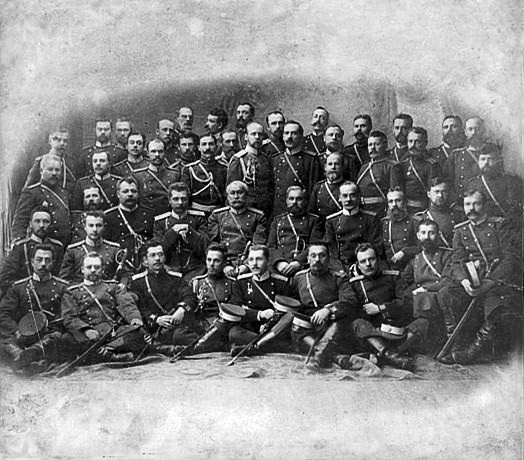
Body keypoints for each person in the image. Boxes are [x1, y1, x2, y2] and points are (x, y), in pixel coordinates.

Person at [436, 189, 522, 364]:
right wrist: (465, 281)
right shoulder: (460, 231)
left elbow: (510, 260)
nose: (471, 208)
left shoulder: (499, 225)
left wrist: (489, 283)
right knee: (446, 293)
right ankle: (456, 344)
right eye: (468, 204)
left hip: (498, 280)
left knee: (497, 302)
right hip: (472, 281)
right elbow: (457, 261)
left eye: (476, 203)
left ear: (484, 205)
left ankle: (472, 351)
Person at [61, 252, 146, 363]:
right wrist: (86, 330)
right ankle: (112, 354)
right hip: (88, 334)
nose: (93, 270)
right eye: (89, 267)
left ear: (102, 269)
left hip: (112, 332)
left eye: (97, 267)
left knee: (138, 332)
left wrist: (134, 318)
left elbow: (126, 304)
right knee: (67, 338)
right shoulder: (72, 292)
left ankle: (105, 351)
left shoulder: (113, 287)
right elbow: (69, 317)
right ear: (82, 269)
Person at [348, 243, 421, 371]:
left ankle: (387, 354)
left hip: (396, 329)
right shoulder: (355, 284)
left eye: (371, 259)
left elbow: (406, 302)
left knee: (422, 323)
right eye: (363, 261)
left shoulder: (393, 277)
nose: (368, 264)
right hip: (373, 333)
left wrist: (380, 308)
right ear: (358, 265)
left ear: (378, 260)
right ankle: (391, 356)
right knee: (357, 323)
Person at [0, 244, 69, 370]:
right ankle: (23, 357)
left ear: (53, 262)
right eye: (39, 259)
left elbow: (66, 315)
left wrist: (51, 328)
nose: (43, 264)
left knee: (58, 338)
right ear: (32, 262)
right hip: (22, 334)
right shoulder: (18, 287)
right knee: (4, 340)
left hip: (49, 333)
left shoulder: (62, 287)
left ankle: (29, 356)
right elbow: (3, 313)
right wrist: (16, 331)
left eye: (47, 260)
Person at [288, 242, 354, 370]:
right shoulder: (299, 278)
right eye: (313, 255)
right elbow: (292, 301)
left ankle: (318, 359)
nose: (317, 259)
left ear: (328, 259)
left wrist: (328, 309)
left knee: (338, 325)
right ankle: (332, 356)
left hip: (330, 323)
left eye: (322, 255)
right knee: (296, 327)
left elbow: (349, 300)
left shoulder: (338, 278)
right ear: (308, 259)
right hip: (308, 326)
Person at [129, 239, 200, 354]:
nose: (157, 258)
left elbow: (190, 296)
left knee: (180, 336)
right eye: (152, 255)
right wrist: (156, 319)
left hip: (176, 325)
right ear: (145, 261)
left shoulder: (176, 278)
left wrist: (181, 310)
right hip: (154, 328)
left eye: (160, 254)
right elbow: (138, 308)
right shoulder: (138, 283)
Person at [400, 218, 454, 353]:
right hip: (421, 302)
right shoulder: (416, 259)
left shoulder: (448, 255)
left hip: (438, 298)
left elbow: (449, 280)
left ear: (438, 235)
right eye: (423, 233)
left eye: (431, 233)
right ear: (418, 236)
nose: (427, 237)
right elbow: (404, 279)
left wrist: (426, 288)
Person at [229, 245, 293, 354]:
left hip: (274, 329)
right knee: (233, 333)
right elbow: (235, 309)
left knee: (290, 318)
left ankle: (254, 347)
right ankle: (267, 345)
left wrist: (271, 323)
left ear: (268, 261)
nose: (254, 264)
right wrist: (259, 314)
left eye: (259, 259)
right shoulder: (241, 282)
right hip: (251, 328)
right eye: (251, 259)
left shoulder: (281, 283)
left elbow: (287, 311)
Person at [0, 207, 64, 299]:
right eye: (37, 221)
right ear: (30, 224)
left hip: (53, 295)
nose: (41, 225)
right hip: (26, 296)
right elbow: (5, 279)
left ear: (51, 224)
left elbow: (62, 275)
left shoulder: (57, 247)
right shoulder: (21, 248)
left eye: (46, 222)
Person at [208, 181, 267, 276]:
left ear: (246, 196)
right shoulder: (217, 216)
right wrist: (224, 265)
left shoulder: (257, 217)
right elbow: (213, 244)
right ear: (227, 197)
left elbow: (258, 245)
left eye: (240, 192)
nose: (236, 197)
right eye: (232, 193)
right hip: (222, 264)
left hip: (249, 263)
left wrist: (247, 265)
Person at [11, 153, 72, 246]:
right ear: (41, 171)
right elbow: (20, 220)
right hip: (41, 245)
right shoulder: (32, 192)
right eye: (50, 169)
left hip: (62, 245)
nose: (54, 173)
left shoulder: (64, 193)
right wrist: (18, 241)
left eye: (57, 170)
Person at [154, 183, 209, 279]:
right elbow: (158, 249)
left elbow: (205, 246)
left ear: (188, 200)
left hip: (196, 270)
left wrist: (190, 232)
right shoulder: (160, 222)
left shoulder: (198, 218)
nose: (180, 203)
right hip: (169, 270)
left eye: (183, 199)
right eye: (175, 199)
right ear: (169, 200)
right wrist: (172, 233)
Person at [467, 143, 522, 237]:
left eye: (490, 159)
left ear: (498, 161)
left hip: (509, 229)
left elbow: (517, 209)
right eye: (483, 159)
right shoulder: (473, 184)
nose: (486, 163)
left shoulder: (512, 181)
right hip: (484, 230)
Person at [59, 211, 129, 285]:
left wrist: (122, 285)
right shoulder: (73, 251)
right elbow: (65, 279)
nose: (95, 229)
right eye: (91, 225)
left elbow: (126, 274)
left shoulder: (114, 250)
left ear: (104, 227)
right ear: (84, 227)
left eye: (98, 225)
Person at [324, 181, 381, 272]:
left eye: (352, 195)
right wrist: (339, 269)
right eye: (345, 196)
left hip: (364, 265)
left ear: (359, 197)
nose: (348, 199)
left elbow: (375, 246)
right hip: (341, 267)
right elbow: (331, 250)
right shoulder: (332, 221)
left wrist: (360, 267)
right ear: (339, 198)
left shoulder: (370, 219)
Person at [268, 186, 322, 276]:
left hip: (304, 265)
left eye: (299, 199)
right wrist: (279, 262)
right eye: (291, 199)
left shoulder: (314, 220)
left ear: (305, 201)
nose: (294, 202)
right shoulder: (277, 221)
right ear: (286, 201)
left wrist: (298, 262)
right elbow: (271, 246)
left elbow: (315, 245)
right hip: (280, 266)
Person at [104, 177, 155, 272]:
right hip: (119, 264)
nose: (130, 194)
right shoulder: (108, 217)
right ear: (118, 194)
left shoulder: (149, 214)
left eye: (133, 191)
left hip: (145, 264)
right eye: (125, 191)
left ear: (138, 194)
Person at [272, 120, 322, 216]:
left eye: (294, 133)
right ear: (283, 136)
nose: (289, 137)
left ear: (301, 137)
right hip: (280, 212)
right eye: (286, 133)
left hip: (302, 212)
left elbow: (314, 189)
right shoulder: (275, 159)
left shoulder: (311, 159)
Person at [227, 122, 274, 215]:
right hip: (245, 211)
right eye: (253, 134)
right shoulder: (238, 159)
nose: (257, 137)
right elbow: (230, 190)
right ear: (246, 137)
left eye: (260, 134)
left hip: (265, 210)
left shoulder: (265, 159)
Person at [356, 130, 404, 218]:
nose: (372, 148)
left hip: (380, 211)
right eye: (370, 145)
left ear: (385, 145)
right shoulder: (364, 166)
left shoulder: (392, 166)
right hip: (362, 211)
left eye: (377, 144)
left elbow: (395, 194)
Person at [24, 127, 77, 196]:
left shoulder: (71, 163)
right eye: (58, 140)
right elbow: (29, 187)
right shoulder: (41, 161)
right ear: (50, 141)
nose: (62, 143)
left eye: (65, 141)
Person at [413, 178, 464, 248]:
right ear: (428, 194)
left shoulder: (457, 215)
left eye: (444, 191)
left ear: (448, 193)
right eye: (436, 192)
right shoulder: (420, 218)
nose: (440, 195)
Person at [400, 127, 442, 214]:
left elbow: (434, 192)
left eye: (418, 142)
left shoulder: (432, 166)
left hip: (423, 210)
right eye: (410, 141)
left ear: (425, 143)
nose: (413, 145)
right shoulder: (403, 164)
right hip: (405, 210)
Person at [444, 116, 488, 198]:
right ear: (465, 132)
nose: (474, 132)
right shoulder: (456, 155)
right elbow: (447, 182)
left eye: (477, 129)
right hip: (462, 201)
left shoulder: (492, 152)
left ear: (483, 131)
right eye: (470, 129)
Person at [182, 135, 227, 214]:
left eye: (211, 144)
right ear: (198, 147)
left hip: (219, 212)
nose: (207, 148)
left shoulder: (224, 168)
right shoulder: (190, 169)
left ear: (216, 146)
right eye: (204, 144)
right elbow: (185, 195)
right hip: (197, 213)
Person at [135, 139, 181, 214]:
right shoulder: (138, 176)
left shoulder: (175, 175)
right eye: (153, 151)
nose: (157, 155)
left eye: (160, 151)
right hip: (147, 216)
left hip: (167, 216)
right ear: (147, 153)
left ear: (165, 153)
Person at [380, 189, 418, 270]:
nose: (394, 204)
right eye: (391, 201)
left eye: (398, 200)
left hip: (411, 267)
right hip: (390, 268)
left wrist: (405, 252)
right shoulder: (384, 224)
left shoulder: (414, 223)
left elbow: (422, 247)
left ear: (405, 202)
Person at [308, 152, 344, 219]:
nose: (333, 167)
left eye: (337, 164)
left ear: (342, 167)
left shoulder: (348, 187)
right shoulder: (318, 188)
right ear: (325, 167)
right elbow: (312, 213)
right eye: (330, 164)